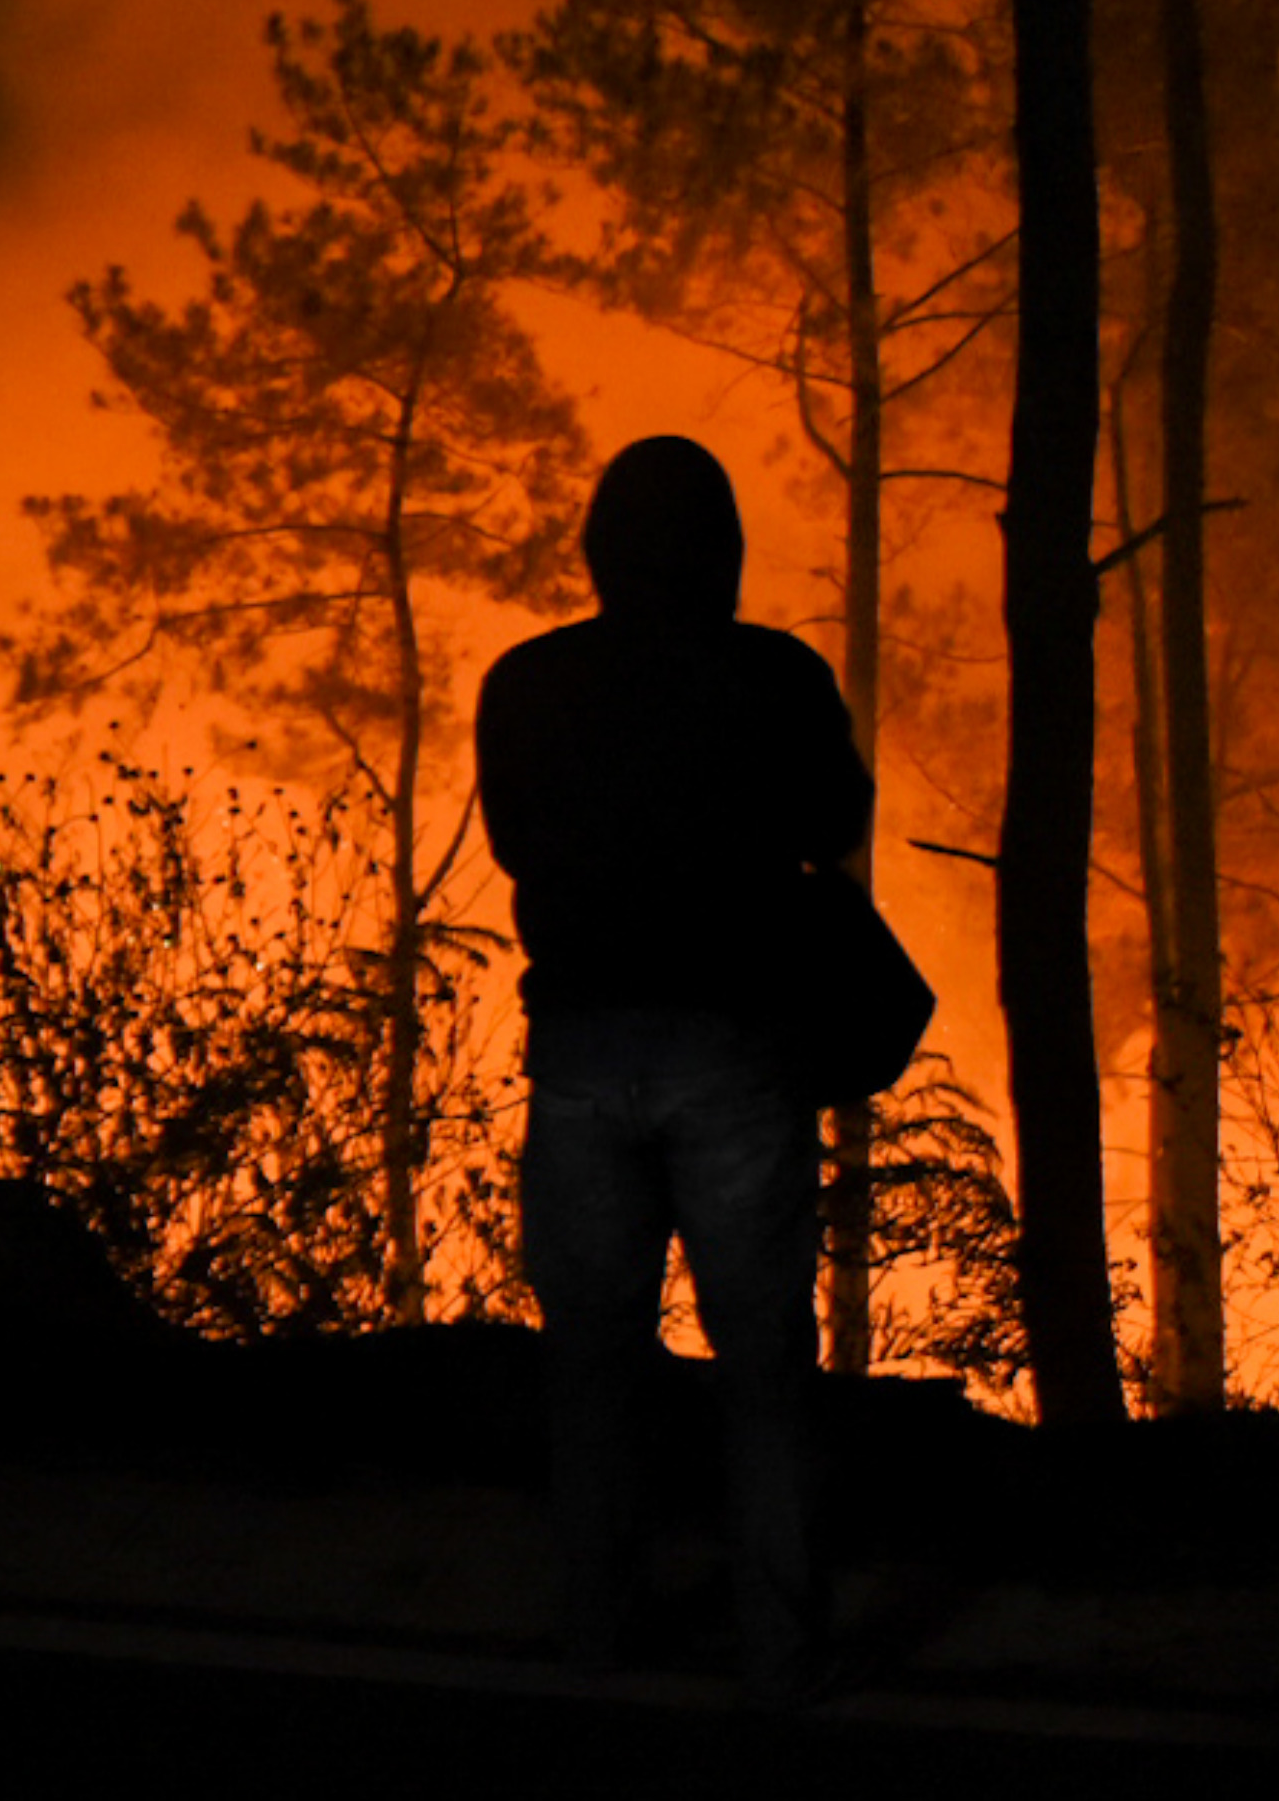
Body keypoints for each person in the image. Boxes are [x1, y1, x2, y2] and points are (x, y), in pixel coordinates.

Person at [477, 434, 868, 1698]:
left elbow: (516, 839)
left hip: (583, 1046)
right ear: (727, 551)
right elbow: (835, 821)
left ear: (598, 547)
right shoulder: (777, 676)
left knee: (591, 1365)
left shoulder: (528, 682)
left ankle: (597, 1631)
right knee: (762, 1367)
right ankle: (777, 1644)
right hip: (738, 1049)